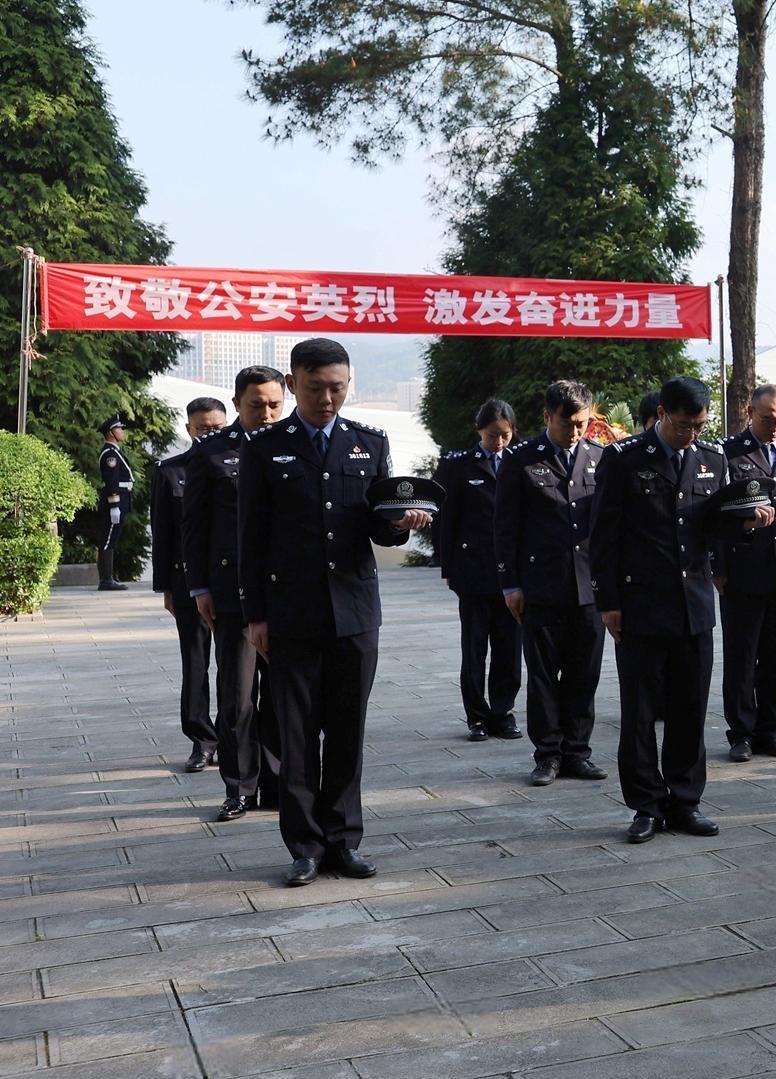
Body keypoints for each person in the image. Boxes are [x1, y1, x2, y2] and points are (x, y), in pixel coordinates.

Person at [237, 338, 428, 885]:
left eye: (337, 389)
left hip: (354, 611)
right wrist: (255, 616)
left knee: (347, 731)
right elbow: (251, 537)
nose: (326, 399)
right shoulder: (265, 447)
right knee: (296, 735)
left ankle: (344, 840)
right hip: (291, 612)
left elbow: (377, 525)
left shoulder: (369, 443)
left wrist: (400, 523)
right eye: (316, 388)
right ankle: (305, 846)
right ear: (293, 384)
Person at [591, 376, 743, 842]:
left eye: (699, 426)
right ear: (661, 414)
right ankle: (646, 805)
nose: (690, 434)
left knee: (690, 708)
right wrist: (608, 602)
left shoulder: (713, 459)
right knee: (639, 712)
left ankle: (685, 800)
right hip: (640, 603)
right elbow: (603, 535)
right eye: (682, 425)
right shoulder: (624, 459)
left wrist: (749, 521)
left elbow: (717, 527)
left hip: (693, 604)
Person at [182, 365, 288, 821]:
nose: (266, 414)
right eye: (255, 405)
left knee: (282, 694)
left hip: (283, 590)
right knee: (237, 695)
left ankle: (278, 783)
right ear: (237, 403)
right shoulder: (211, 452)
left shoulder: (292, 445)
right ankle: (240, 786)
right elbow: (194, 525)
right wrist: (199, 586)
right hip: (231, 593)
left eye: (274, 405)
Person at [496, 380, 608, 787]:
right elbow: (505, 526)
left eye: (582, 423)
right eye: (567, 423)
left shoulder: (600, 457)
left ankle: (577, 751)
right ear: (548, 416)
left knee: (584, 674)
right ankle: (547, 754)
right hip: (541, 584)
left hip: (589, 586)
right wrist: (510, 584)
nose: (575, 431)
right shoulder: (521, 459)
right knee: (543, 676)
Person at [718, 384, 776, 762]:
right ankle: (740, 732)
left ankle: (769, 730)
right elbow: (716, 513)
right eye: (769, 419)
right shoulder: (728, 452)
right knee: (742, 656)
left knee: (775, 655)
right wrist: (718, 567)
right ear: (750, 412)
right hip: (742, 568)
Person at [432, 399, 522, 742]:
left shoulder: (519, 462)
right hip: (473, 571)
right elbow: (445, 519)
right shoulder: (459, 465)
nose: (498, 442)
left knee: (509, 647)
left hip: (511, 573)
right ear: (479, 430)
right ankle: (477, 717)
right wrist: (449, 568)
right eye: (491, 434)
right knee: (474, 648)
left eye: (504, 435)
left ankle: (503, 711)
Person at [152, 396, 228, 774]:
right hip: (188, 582)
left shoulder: (243, 464)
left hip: (231, 580)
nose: (210, 434)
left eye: (217, 428)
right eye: (203, 429)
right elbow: (163, 533)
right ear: (189, 429)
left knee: (234, 666)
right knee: (195, 662)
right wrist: (166, 588)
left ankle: (233, 738)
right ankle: (202, 740)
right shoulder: (170, 472)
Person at [95, 415, 133, 589]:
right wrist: (115, 505)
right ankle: (106, 580)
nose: (122, 431)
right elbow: (112, 482)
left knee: (110, 538)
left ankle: (107, 578)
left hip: (121, 498)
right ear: (111, 432)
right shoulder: (110, 454)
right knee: (108, 539)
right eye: (119, 428)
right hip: (115, 500)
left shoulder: (115, 451)